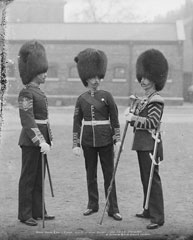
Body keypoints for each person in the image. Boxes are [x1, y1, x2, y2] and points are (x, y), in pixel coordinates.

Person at [72, 48, 122, 221]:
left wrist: (117, 139)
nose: (96, 81)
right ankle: (92, 205)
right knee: (90, 174)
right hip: (88, 141)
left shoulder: (107, 96)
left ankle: (113, 208)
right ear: (86, 78)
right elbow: (77, 122)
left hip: (106, 140)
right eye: (93, 77)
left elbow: (115, 119)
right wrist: (75, 143)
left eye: (98, 77)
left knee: (109, 174)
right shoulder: (81, 99)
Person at [125, 49, 168, 229]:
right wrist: (132, 110)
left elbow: (151, 122)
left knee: (153, 179)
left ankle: (158, 217)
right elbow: (139, 119)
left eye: (146, 77)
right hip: (142, 144)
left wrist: (133, 119)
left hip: (150, 144)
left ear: (155, 78)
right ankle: (148, 209)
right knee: (145, 178)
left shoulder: (156, 99)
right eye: (141, 77)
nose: (142, 80)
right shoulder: (145, 99)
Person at [17, 40, 55, 226]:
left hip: (42, 141)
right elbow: (28, 120)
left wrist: (48, 140)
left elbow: (44, 120)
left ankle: (39, 210)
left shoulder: (39, 92)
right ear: (34, 72)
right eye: (43, 71)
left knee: (39, 177)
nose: (45, 75)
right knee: (29, 178)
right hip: (31, 141)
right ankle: (25, 214)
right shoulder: (26, 93)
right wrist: (40, 140)